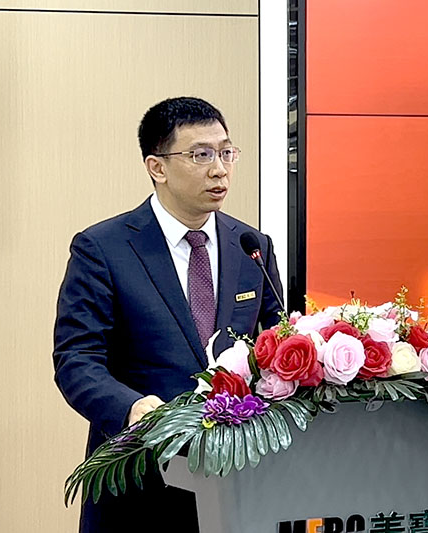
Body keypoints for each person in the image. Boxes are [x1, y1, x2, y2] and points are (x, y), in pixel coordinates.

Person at [53, 97, 283, 533]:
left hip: (240, 480)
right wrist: (132, 408)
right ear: (157, 167)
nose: (220, 170)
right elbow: (76, 359)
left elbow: (277, 343)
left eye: (226, 153)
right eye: (201, 155)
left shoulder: (252, 245)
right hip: (140, 479)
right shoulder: (103, 248)